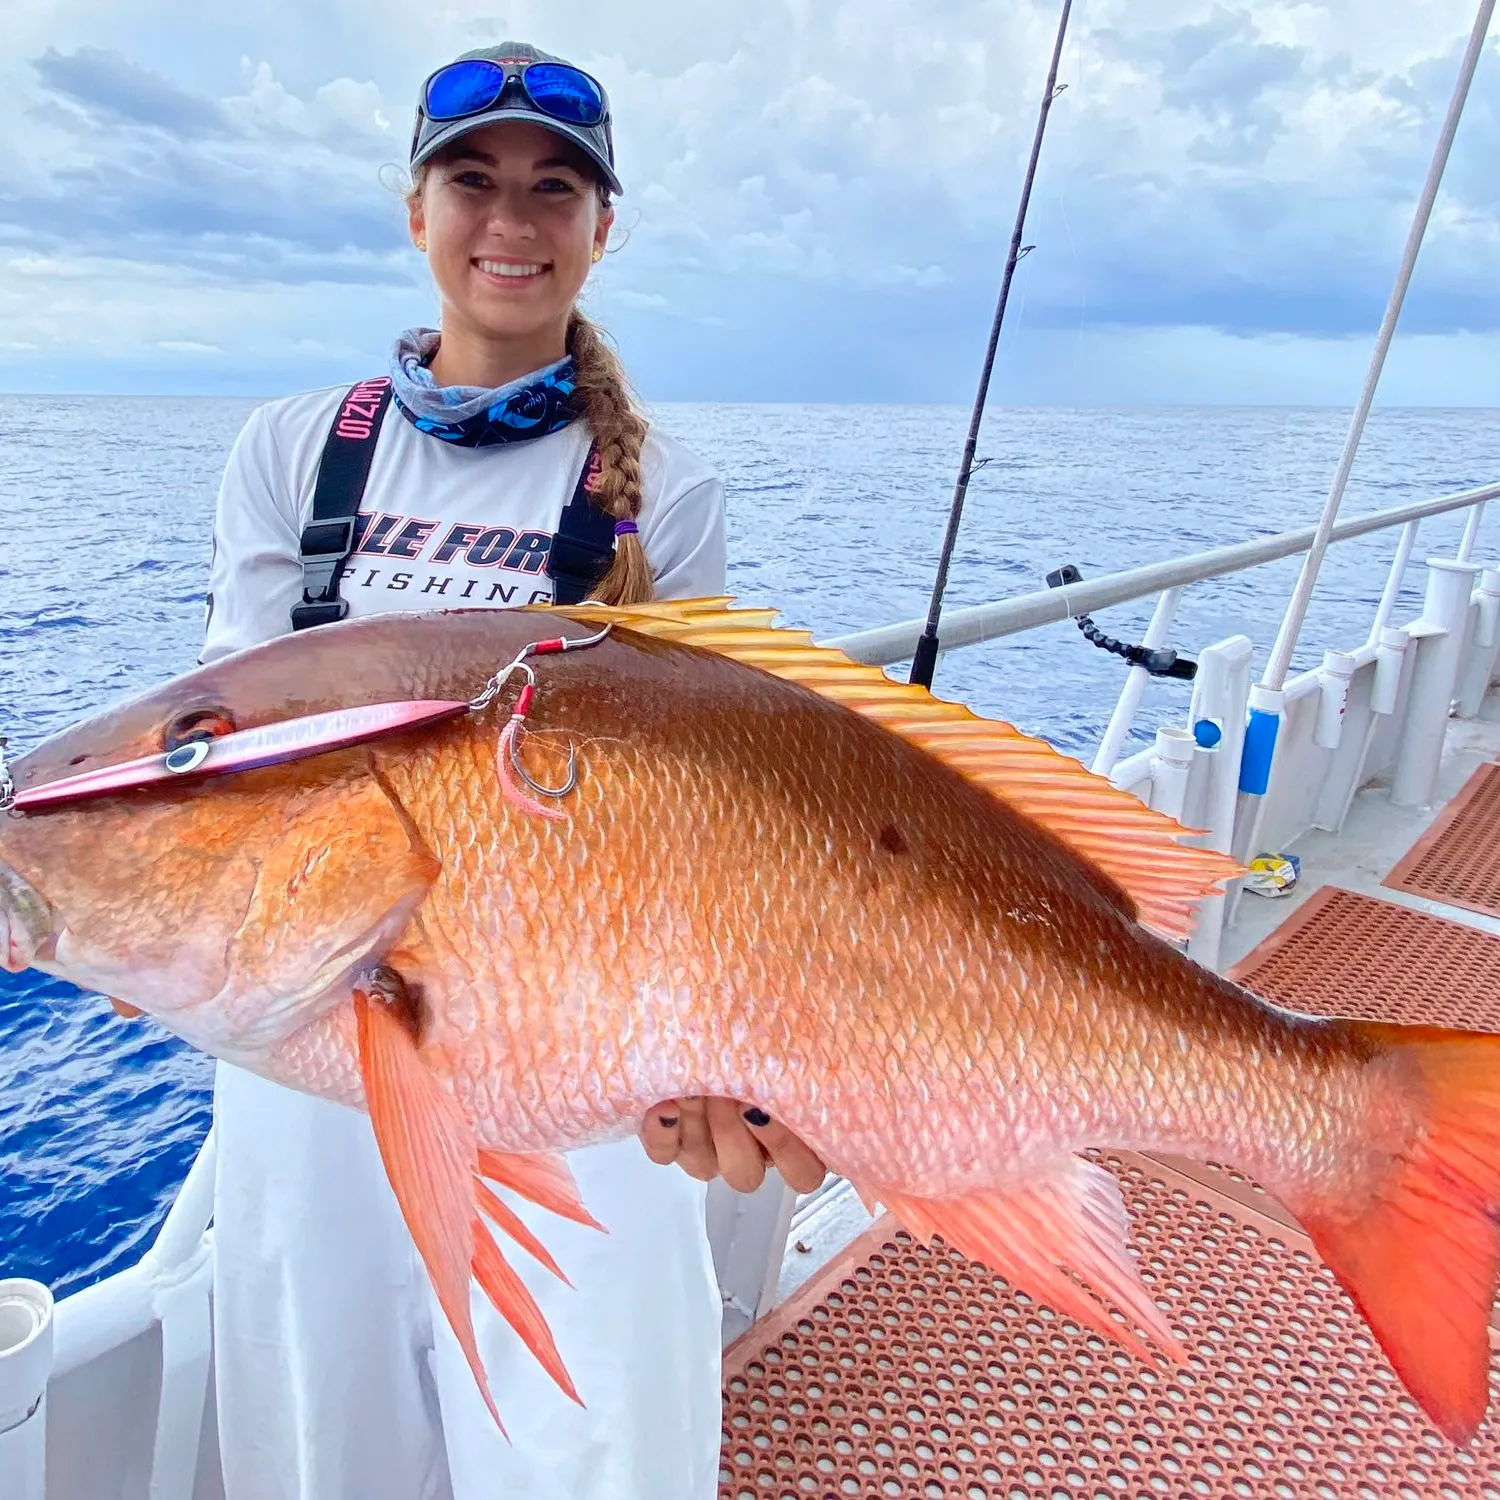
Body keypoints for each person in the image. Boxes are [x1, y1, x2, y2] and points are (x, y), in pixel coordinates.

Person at [199, 40, 824, 1500]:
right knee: (319, 1453)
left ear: (604, 229)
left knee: (592, 1451)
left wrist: (737, 1053)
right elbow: (224, 762)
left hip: (573, 1063)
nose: (513, 219)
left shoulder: (668, 494)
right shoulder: (295, 454)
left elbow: (706, 819)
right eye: (471, 180)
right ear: (412, 210)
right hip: (315, 1054)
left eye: (557, 189)